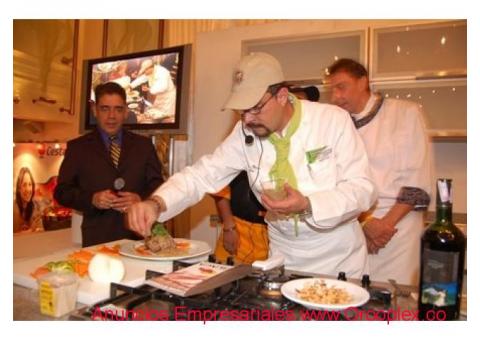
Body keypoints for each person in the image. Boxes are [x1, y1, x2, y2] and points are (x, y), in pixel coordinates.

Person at [127, 52, 376, 278]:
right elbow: (201, 175)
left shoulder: (332, 121)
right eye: (241, 111)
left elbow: (362, 189)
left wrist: (308, 204)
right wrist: (157, 203)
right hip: (285, 257)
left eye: (255, 108)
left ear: (281, 95)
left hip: (337, 258)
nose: (247, 119)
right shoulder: (244, 132)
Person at [326, 58, 432, 285]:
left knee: (394, 300)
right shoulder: (337, 123)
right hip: (357, 224)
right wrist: (366, 223)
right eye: (331, 90)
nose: (335, 97)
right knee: (355, 296)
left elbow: (418, 177)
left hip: (398, 229)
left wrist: (383, 226)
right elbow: (334, 181)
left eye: (341, 87)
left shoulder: (405, 113)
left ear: (363, 82)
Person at [54, 82, 164, 246]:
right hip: (98, 240)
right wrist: (92, 199)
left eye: (118, 109)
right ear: (95, 110)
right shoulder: (78, 148)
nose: (112, 116)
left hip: (141, 238)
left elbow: (158, 185)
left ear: (126, 112)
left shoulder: (144, 145)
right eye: (105, 109)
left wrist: (140, 198)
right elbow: (62, 192)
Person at [212, 171, 269, 264]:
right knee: (221, 275)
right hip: (237, 229)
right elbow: (219, 187)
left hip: (272, 234)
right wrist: (229, 227)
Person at [13, 167, 43, 232]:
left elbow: (40, 231)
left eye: (30, 184)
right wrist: (32, 230)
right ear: (19, 188)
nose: (28, 189)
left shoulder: (37, 207)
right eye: (24, 185)